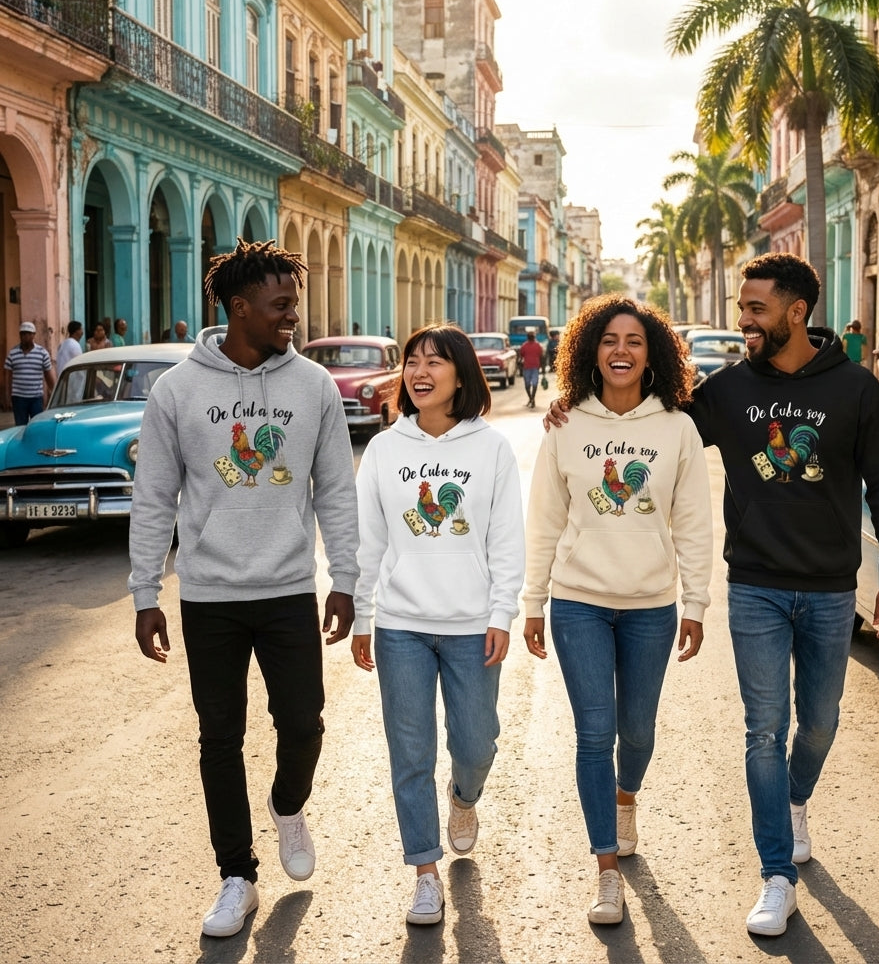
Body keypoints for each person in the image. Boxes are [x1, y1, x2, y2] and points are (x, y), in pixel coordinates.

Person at [545, 253, 879, 937]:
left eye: (754, 309)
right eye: (742, 307)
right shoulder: (728, 390)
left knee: (822, 721)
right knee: (763, 731)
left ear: (795, 313)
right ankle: (778, 874)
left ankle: (794, 800)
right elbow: (656, 419)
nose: (742, 319)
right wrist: (581, 403)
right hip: (755, 587)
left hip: (833, 588)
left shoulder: (857, 390)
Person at [129, 238, 360, 940]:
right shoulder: (178, 390)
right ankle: (238, 876)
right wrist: (145, 594)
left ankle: (288, 806)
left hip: (288, 586)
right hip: (209, 595)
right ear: (239, 307)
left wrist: (343, 578)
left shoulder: (312, 386)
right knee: (218, 736)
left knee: (304, 724)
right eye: (281, 303)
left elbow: (337, 492)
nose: (294, 313)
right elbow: (153, 497)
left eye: (295, 300)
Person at [524, 294, 713, 926]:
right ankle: (606, 870)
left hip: (651, 606)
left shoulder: (677, 428)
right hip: (578, 603)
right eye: (609, 340)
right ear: (590, 351)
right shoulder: (564, 426)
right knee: (593, 733)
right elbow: (544, 522)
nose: (621, 351)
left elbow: (692, 522)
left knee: (638, 731)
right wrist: (532, 602)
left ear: (652, 352)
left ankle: (624, 795)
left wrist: (696, 601)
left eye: (634, 341)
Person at [350, 323, 524, 926]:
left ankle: (465, 797)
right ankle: (424, 872)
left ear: (461, 374)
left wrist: (502, 611)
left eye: (434, 361)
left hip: (473, 623)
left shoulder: (491, 448)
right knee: (410, 750)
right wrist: (364, 616)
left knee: (476, 743)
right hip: (401, 625)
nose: (420, 372)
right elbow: (368, 542)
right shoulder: (384, 449)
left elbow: (506, 540)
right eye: (412, 361)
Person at [3, 322, 57, 425]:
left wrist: (54, 394)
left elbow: (49, 376)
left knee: (36, 425)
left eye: (28, 333)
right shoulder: (12, 353)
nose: (25, 336)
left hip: (36, 398)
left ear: (33, 335)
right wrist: (7, 397)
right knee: (20, 426)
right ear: (20, 335)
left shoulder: (42, 353)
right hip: (18, 398)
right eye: (23, 334)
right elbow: (7, 376)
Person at [519, 329, 544, 408]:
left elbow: (521, 355)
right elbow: (542, 356)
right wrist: (543, 368)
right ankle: (532, 399)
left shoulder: (524, 345)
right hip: (534, 367)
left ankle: (531, 399)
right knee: (534, 384)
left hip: (528, 367)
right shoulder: (538, 345)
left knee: (528, 385)